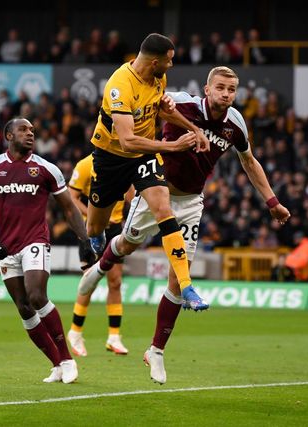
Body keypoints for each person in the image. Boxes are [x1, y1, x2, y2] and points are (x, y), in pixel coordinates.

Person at [80, 66, 290, 384]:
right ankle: (101, 266)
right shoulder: (181, 102)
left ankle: (157, 351)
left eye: (232, 89)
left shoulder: (236, 124)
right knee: (127, 243)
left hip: (191, 201)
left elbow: (249, 161)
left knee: (179, 277)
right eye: (220, 87)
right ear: (207, 89)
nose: (226, 94)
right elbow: (156, 107)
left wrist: (271, 201)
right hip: (156, 193)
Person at [83, 32, 210, 310]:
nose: (171, 66)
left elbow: (160, 111)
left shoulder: (157, 78)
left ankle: (186, 285)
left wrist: (194, 128)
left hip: (144, 156)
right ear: (155, 62)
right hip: (111, 158)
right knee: (96, 226)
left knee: (165, 209)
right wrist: (174, 146)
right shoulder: (120, 85)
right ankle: (96, 238)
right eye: (169, 61)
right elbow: (127, 141)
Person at [0, 117, 96, 384]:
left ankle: (67, 359)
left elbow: (68, 208)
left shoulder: (46, 169)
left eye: (32, 130)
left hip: (35, 241)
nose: (30, 133)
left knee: (37, 296)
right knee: (24, 308)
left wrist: (84, 240)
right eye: (24, 130)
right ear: (8, 135)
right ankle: (56, 364)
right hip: (6, 247)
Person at [66, 154, 133, 357]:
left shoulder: (126, 161)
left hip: (115, 229)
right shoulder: (86, 165)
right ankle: (75, 332)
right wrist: (92, 214)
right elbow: (72, 197)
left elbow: (131, 195)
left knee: (115, 282)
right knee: (89, 281)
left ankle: (114, 337)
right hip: (91, 229)